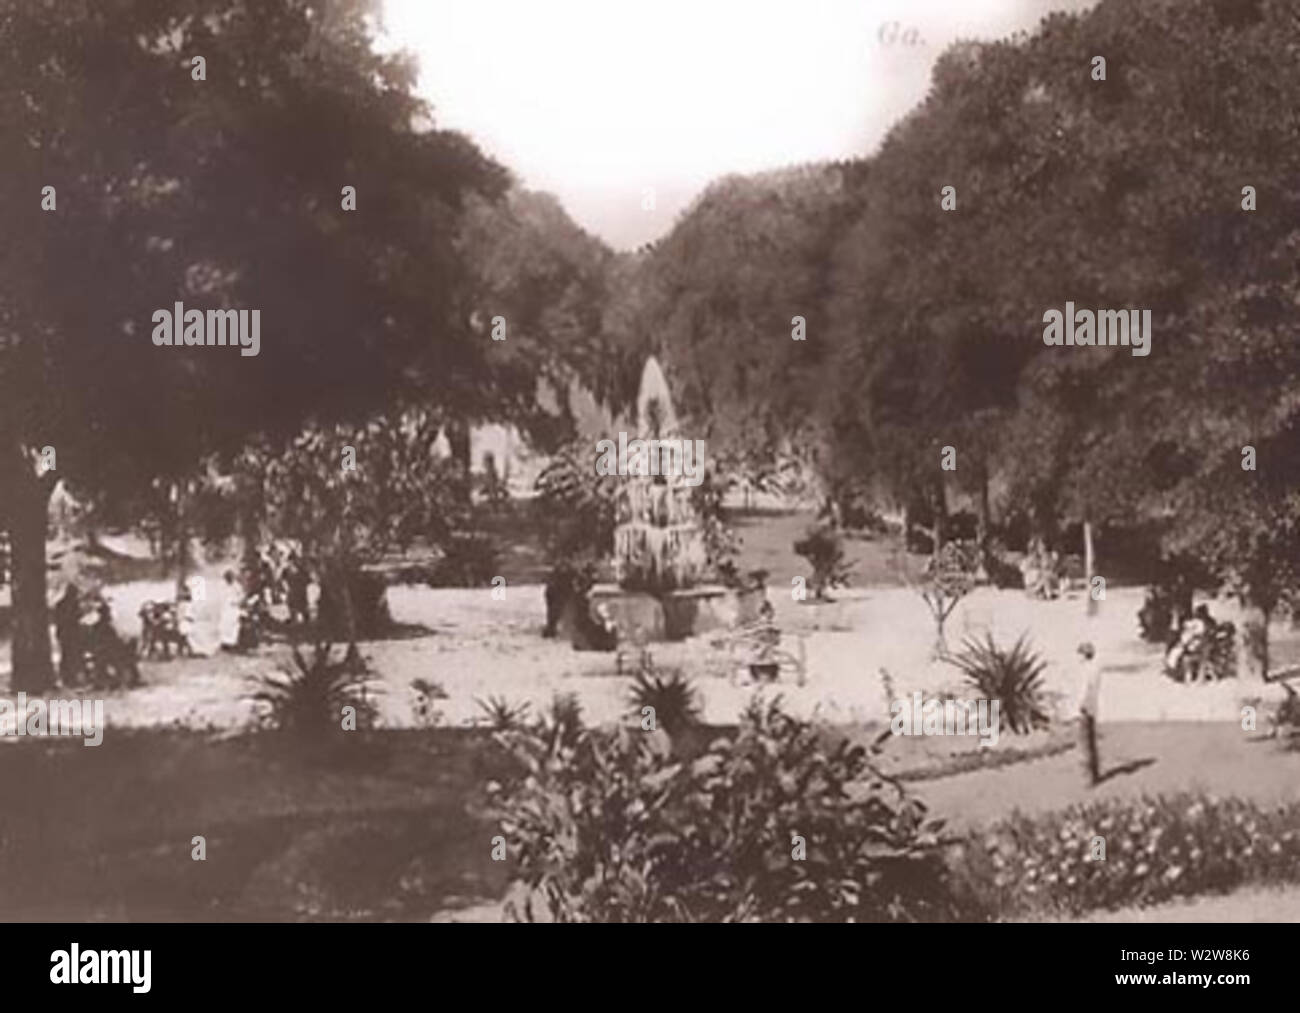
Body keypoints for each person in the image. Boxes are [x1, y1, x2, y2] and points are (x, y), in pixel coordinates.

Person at [1076, 642, 1102, 786]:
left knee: (1085, 742)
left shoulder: (1087, 671)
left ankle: (1089, 777)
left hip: (1086, 708)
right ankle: (1094, 774)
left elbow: (1086, 690)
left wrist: (1082, 705)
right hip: (1093, 707)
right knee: (1090, 742)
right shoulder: (1094, 669)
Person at [54, 583, 84, 686]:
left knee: (67, 655)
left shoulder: (60, 604)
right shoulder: (72, 605)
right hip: (70, 633)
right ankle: (70, 678)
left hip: (64, 633)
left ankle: (67, 677)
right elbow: (75, 618)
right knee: (72, 655)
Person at [218, 569, 242, 651]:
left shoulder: (237, 586)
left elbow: (241, 596)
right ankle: (224, 642)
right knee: (224, 624)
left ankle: (232, 642)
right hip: (225, 607)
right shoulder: (222, 586)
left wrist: (236, 601)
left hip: (233, 607)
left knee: (233, 625)